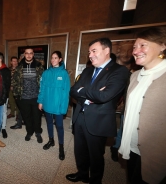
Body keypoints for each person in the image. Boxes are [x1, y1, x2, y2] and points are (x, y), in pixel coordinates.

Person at [67, 37, 129, 183]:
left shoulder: (119, 71)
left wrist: (84, 91)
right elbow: (73, 90)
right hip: (80, 117)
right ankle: (82, 174)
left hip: (98, 120)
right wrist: (90, 94)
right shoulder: (88, 71)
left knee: (95, 155)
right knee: (80, 151)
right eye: (89, 52)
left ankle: (95, 180)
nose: (90, 55)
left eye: (94, 51)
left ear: (106, 51)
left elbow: (105, 95)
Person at [118, 26, 166, 184]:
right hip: (131, 146)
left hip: (156, 153)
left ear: (162, 45)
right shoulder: (135, 76)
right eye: (134, 46)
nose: (136, 51)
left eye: (143, 45)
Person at [37, 51, 70, 160]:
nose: (53, 60)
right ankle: (51, 140)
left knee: (59, 126)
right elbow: (42, 88)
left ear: (60, 59)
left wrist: (64, 107)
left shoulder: (64, 73)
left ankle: (61, 146)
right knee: (49, 123)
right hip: (47, 103)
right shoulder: (46, 73)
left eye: (55, 58)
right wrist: (40, 101)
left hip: (58, 105)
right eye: (52, 58)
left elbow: (66, 93)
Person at [11, 47, 44, 143]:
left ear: (33, 54)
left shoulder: (39, 66)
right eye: (27, 53)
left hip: (36, 97)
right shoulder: (19, 67)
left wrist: (42, 96)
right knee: (27, 117)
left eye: (30, 53)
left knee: (37, 116)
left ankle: (38, 132)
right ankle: (29, 132)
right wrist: (16, 96)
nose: (29, 55)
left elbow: (43, 83)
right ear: (24, 55)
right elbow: (15, 82)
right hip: (23, 98)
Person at [0, 52, 11, 139]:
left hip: (4, 95)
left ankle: (3, 128)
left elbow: (7, 85)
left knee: (4, 112)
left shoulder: (5, 70)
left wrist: (5, 96)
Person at [9, 56, 24, 129]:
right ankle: (12, 113)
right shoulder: (8, 70)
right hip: (10, 88)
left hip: (17, 89)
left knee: (18, 102)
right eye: (13, 61)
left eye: (16, 61)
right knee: (11, 101)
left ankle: (18, 115)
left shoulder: (20, 69)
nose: (14, 62)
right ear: (11, 62)